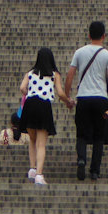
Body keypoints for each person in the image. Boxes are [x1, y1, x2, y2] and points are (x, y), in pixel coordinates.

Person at [61, 20, 108, 181]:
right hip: (101, 99)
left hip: (83, 98)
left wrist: (67, 97)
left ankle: (81, 159)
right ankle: (94, 170)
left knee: (81, 134)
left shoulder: (79, 52)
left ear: (88, 34)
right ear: (104, 36)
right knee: (99, 136)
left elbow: (70, 76)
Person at [19, 47, 67, 186]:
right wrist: (68, 101)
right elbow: (60, 93)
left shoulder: (30, 73)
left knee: (32, 140)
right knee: (41, 144)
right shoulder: (54, 74)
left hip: (30, 105)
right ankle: (39, 175)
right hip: (44, 106)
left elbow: (22, 88)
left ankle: (32, 169)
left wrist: (29, 91)